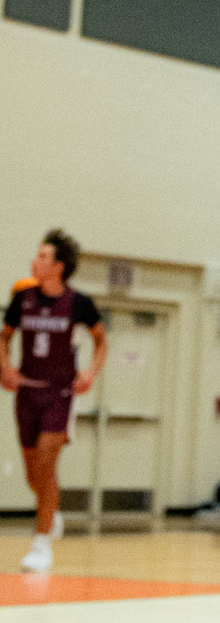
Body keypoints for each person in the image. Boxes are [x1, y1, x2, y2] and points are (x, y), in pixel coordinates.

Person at [1, 230, 107, 574]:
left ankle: (41, 543)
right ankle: (52, 510)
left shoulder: (79, 303)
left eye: (42, 256)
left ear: (58, 267)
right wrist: (5, 368)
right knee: (34, 474)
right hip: (27, 392)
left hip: (59, 394)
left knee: (47, 465)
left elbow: (101, 341)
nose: (35, 260)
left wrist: (90, 372)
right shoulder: (22, 298)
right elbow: (4, 338)